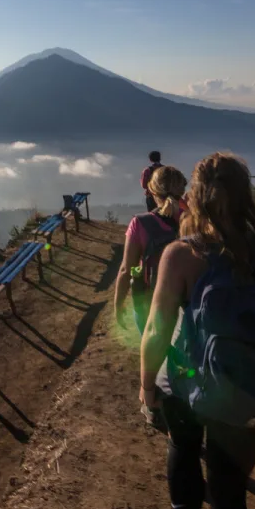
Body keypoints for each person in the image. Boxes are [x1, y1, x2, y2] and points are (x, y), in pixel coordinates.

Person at [139, 153, 255, 509]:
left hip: (185, 383)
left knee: (184, 450)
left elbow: (157, 330)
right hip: (247, 391)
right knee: (230, 494)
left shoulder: (180, 255)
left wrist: (146, 387)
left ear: (194, 198)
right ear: (247, 197)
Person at [114, 165, 188, 426]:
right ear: (183, 190)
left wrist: (118, 305)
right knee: (179, 350)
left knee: (152, 347)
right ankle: (182, 394)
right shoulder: (193, 220)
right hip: (185, 301)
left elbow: (126, 269)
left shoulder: (140, 224)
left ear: (151, 191)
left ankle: (154, 405)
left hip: (147, 300)